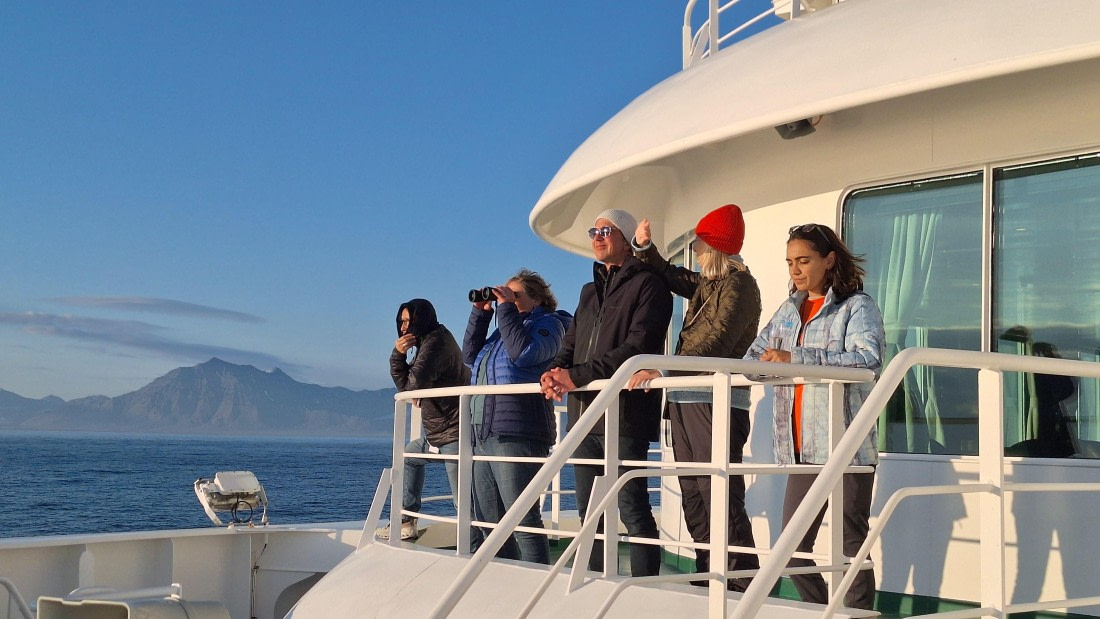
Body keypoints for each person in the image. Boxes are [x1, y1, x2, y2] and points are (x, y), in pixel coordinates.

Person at [743, 223, 885, 610]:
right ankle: (826, 611)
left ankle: (855, 615)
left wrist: (795, 359)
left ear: (829, 260)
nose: (795, 270)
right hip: (800, 447)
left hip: (846, 447)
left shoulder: (857, 307)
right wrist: (774, 363)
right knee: (791, 547)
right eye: (790, 262)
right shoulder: (788, 311)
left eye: (804, 260)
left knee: (849, 544)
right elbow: (751, 362)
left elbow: (869, 361)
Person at [626, 204, 762, 591]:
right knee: (694, 492)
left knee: (716, 491)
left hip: (716, 401)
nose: (698, 254)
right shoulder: (708, 284)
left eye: (701, 247)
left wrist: (664, 370)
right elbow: (670, 275)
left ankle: (738, 580)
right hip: (687, 397)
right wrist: (646, 247)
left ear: (716, 249)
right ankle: (710, 571)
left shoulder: (740, 285)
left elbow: (717, 342)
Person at [540, 208, 673, 577]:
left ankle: (644, 592)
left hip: (625, 414)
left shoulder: (649, 285)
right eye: (593, 231)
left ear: (627, 239)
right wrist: (554, 373)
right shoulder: (588, 291)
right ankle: (593, 586)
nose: (597, 237)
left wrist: (575, 376)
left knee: (632, 508)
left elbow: (637, 347)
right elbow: (571, 345)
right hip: (584, 414)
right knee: (589, 512)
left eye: (606, 231)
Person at [462, 269, 572, 563]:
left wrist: (506, 310)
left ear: (536, 299)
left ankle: (536, 583)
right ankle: (504, 580)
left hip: (519, 430)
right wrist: (481, 314)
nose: (505, 300)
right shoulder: (504, 330)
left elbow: (525, 355)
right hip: (484, 431)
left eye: (515, 295)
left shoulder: (549, 324)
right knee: (489, 522)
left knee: (522, 518)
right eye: (504, 295)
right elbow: (470, 357)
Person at [381, 298, 470, 541]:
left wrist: (398, 357)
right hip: (438, 432)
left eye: (408, 321)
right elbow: (409, 387)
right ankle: (406, 522)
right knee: (410, 458)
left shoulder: (436, 342)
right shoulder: (428, 342)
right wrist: (402, 363)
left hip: (455, 431)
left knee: (462, 500)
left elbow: (413, 384)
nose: (403, 328)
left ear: (422, 319)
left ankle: (473, 548)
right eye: (401, 322)